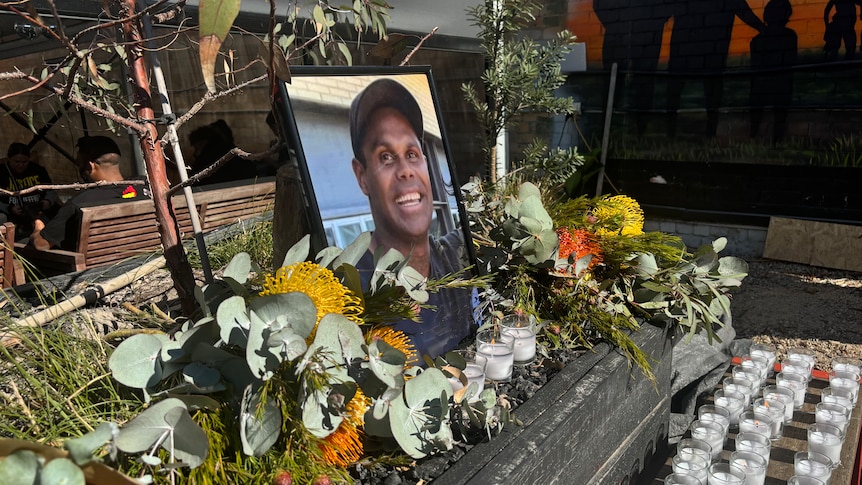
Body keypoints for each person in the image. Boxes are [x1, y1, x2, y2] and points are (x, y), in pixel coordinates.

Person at [349, 78, 474, 360]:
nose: (405, 170)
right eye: (386, 157)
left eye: (412, 154)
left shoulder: (454, 258)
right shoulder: (352, 290)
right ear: (362, 177)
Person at [30, 136, 148, 251]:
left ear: (90, 166)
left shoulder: (80, 202)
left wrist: (38, 227)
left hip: (97, 268)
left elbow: (42, 245)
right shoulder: (145, 185)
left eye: (79, 164)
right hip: (145, 259)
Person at [749, 0, 797, 143]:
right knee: (779, 114)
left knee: (758, 113)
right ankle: (776, 141)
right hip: (781, 81)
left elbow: (755, 65)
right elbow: (791, 60)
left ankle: (754, 137)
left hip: (762, 82)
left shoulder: (758, 39)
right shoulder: (790, 36)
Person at [0, 143, 59, 238]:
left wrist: (47, 201)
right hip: (11, 213)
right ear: (9, 159)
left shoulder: (38, 170)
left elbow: (51, 191)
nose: (20, 165)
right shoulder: (2, 172)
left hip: (37, 210)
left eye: (24, 162)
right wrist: (9, 208)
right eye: (17, 162)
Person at [188, 119, 246, 185]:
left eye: (196, 148)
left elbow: (195, 182)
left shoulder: (207, 159)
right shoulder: (235, 155)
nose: (195, 153)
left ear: (201, 144)